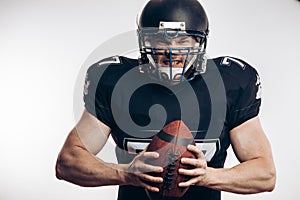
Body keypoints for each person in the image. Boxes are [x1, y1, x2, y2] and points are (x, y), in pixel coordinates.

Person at [55, 0, 276, 199]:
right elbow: (68, 162)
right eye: (161, 41)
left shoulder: (229, 83)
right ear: (144, 40)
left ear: (199, 43)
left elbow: (265, 174)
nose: (172, 52)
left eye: (183, 41)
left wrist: (207, 176)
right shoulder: (115, 83)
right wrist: (125, 174)